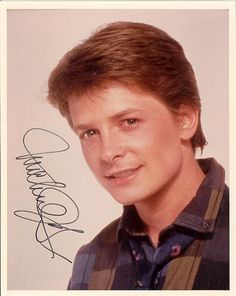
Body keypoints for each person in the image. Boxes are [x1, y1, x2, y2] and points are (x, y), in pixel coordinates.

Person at [47, 22, 229, 290]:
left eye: (129, 121)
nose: (108, 152)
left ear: (185, 120)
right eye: (89, 133)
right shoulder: (90, 260)